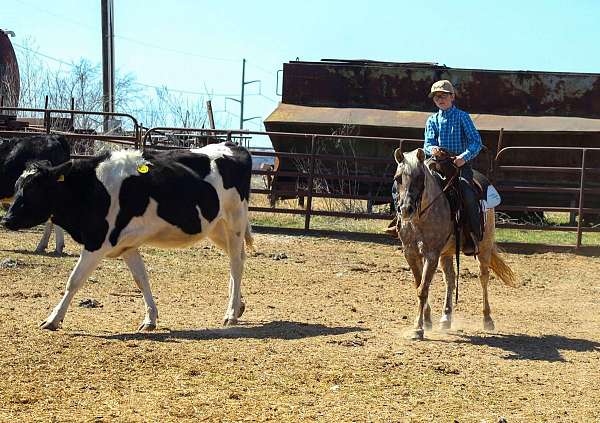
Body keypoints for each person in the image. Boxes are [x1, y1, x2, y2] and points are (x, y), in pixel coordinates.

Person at [424, 80, 483, 254]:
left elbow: (476, 142)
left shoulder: (462, 117)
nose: (439, 99)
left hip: (459, 165)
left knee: (467, 191)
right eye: (436, 97)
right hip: (438, 164)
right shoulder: (432, 120)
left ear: (452, 97)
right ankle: (402, 225)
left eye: (443, 96)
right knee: (415, 184)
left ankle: (473, 235)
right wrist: (432, 149)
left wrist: (463, 158)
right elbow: (428, 142)